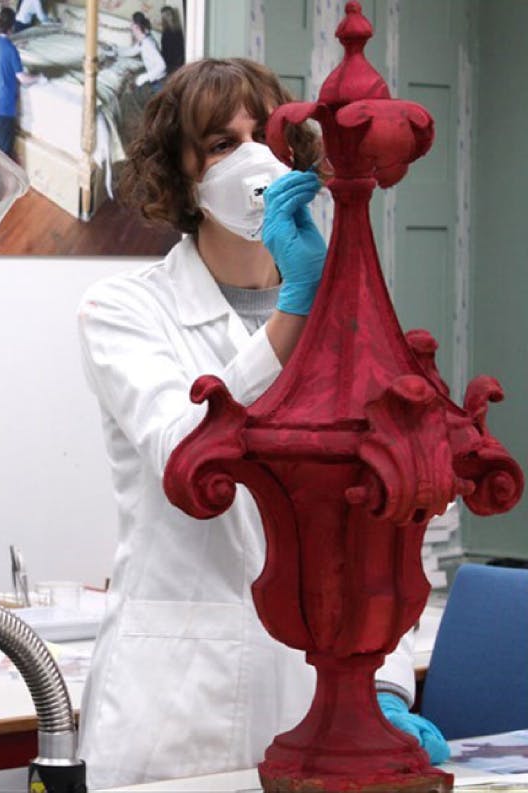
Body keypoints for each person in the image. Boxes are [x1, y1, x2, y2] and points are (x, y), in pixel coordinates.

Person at [76, 58, 448, 790]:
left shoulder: (342, 315)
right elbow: (186, 452)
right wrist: (295, 311)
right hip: (180, 703)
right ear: (180, 177)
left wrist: (385, 686)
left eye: (264, 137)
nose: (250, 159)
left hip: (320, 697)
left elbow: (379, 515)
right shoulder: (123, 310)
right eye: (220, 144)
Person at [0, 7, 45, 159]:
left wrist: (15, 49)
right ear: (12, 27)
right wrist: (39, 77)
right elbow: (23, 78)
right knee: (6, 149)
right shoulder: (11, 50)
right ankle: (5, 180)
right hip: (5, 104)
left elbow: (3, 58)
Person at [120, 12, 166, 92]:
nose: (130, 26)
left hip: (159, 83)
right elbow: (132, 51)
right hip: (156, 81)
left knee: (129, 97)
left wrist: (142, 78)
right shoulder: (144, 39)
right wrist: (115, 51)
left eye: (132, 23)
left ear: (137, 27)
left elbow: (162, 65)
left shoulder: (147, 44)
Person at [159, 5, 185, 74]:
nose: (167, 17)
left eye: (168, 14)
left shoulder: (176, 30)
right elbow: (165, 48)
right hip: (171, 63)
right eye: (164, 16)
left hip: (175, 63)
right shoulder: (168, 30)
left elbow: (179, 48)